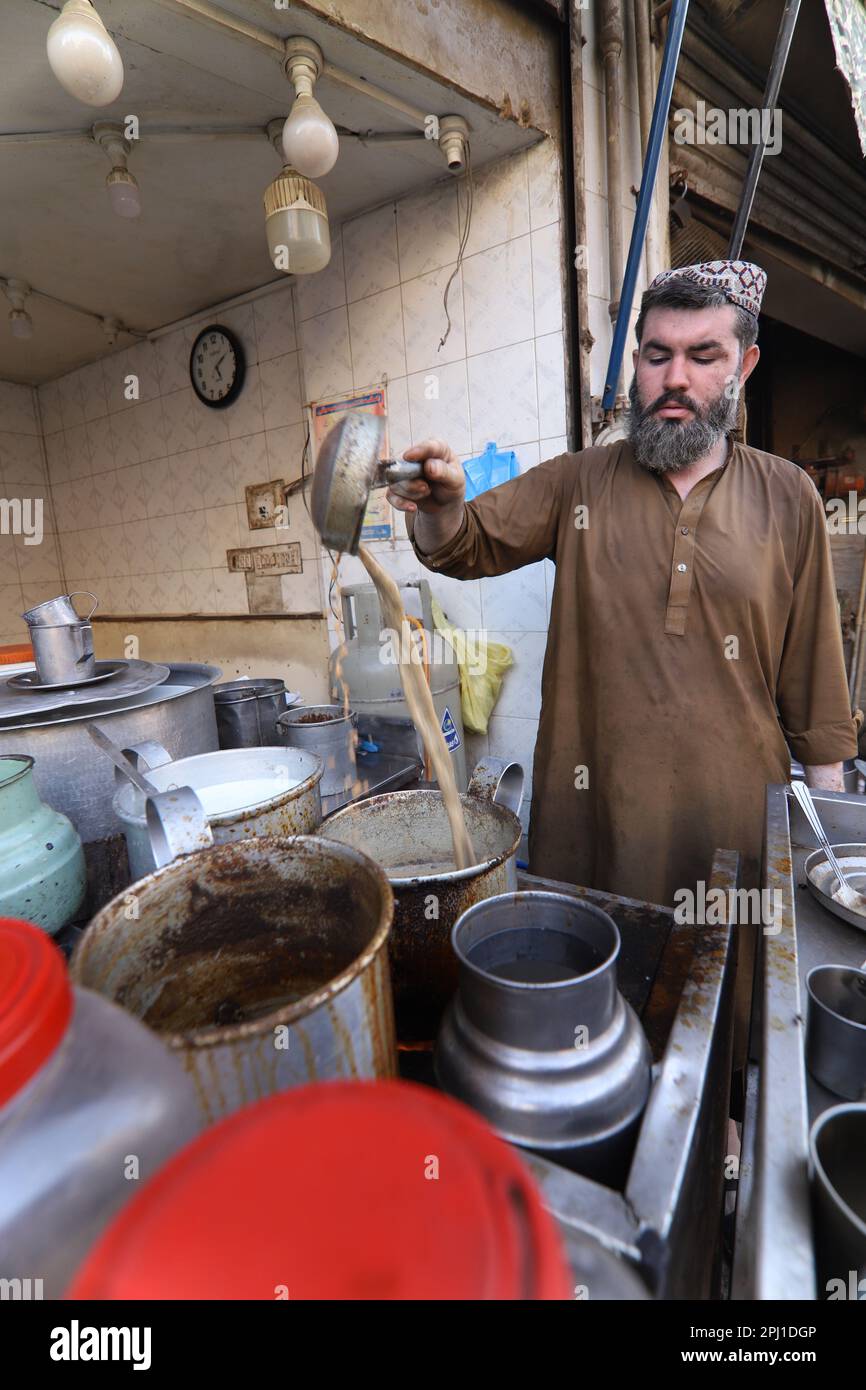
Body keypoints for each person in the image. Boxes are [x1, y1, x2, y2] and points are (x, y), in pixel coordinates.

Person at [388, 260, 858, 909]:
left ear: (743, 366)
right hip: (593, 829)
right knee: (596, 986)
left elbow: (816, 691)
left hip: (734, 840)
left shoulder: (788, 496)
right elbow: (463, 543)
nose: (676, 377)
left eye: (703, 354)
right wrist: (439, 507)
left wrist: (824, 854)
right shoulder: (578, 483)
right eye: (658, 354)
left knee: (721, 1001)